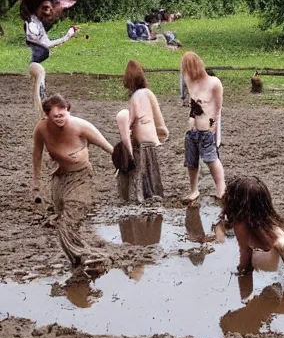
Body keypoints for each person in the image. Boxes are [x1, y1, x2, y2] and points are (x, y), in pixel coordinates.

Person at [32, 94, 113, 269]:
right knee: (64, 220)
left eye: (63, 114)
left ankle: (87, 255)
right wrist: (36, 183)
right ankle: (77, 257)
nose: (60, 118)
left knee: (69, 221)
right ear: (47, 116)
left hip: (82, 177)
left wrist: (122, 160)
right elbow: (37, 154)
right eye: (56, 116)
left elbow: (107, 146)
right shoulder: (41, 128)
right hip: (60, 178)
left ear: (68, 110)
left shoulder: (80, 126)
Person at [221, 176, 284, 280]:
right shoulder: (265, 219)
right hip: (280, 255)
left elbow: (245, 251)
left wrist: (242, 272)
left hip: (270, 260)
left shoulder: (240, 223)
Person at [115, 60, 168, 203]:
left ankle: (137, 197)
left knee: (138, 171)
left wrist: (127, 128)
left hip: (141, 140)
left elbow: (133, 117)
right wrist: (162, 132)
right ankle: (152, 193)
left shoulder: (136, 97)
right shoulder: (148, 93)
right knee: (150, 168)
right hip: (151, 138)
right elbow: (158, 116)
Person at [21, 0, 79, 117]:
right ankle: (42, 111)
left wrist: (68, 35)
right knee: (40, 77)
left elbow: (48, 44)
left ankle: (42, 112)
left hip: (35, 62)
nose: (49, 12)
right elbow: (33, 39)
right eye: (45, 8)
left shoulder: (38, 25)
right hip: (31, 63)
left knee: (40, 80)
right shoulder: (31, 23)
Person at [181, 52, 226, 201]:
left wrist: (214, 125)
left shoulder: (214, 83)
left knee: (211, 159)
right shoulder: (190, 81)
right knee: (191, 161)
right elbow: (193, 103)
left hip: (207, 129)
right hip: (193, 131)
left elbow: (218, 108)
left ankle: (221, 189)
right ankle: (194, 190)